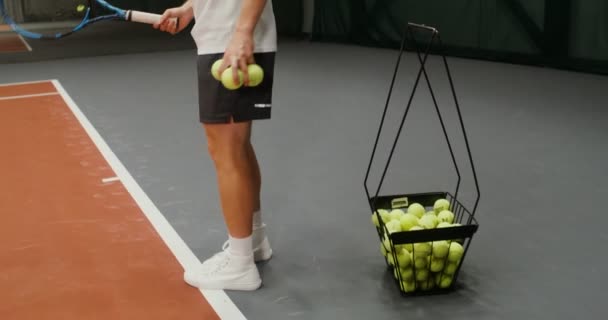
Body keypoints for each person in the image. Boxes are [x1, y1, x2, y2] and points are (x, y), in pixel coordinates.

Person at [153, 0, 277, 291]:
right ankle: (254, 240)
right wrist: (190, 9)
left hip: (231, 41)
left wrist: (242, 32)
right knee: (238, 146)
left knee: (226, 150)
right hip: (225, 36)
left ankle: (239, 264)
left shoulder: (236, 35)